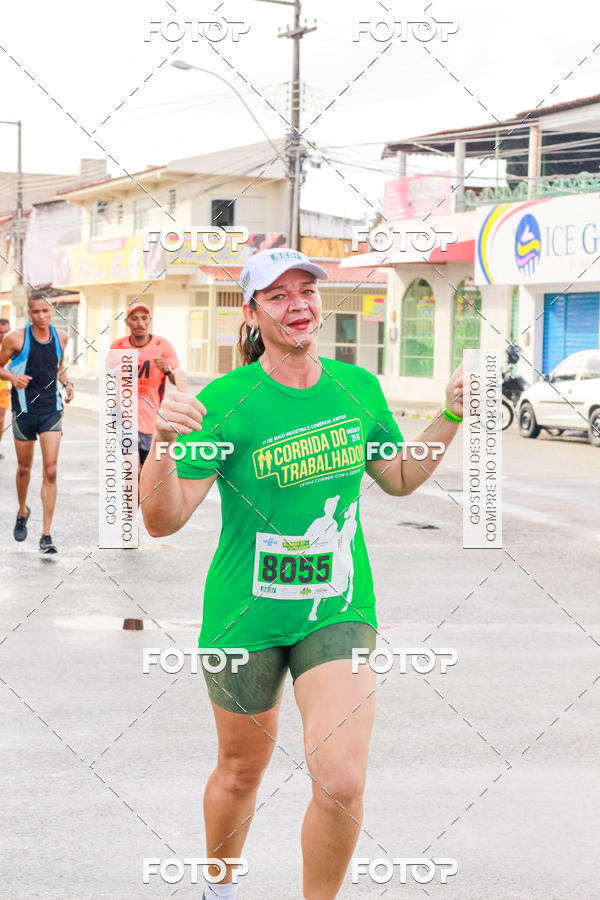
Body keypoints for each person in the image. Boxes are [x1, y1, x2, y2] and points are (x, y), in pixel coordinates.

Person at [140, 248, 465, 900]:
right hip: (245, 614)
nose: (299, 306)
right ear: (254, 311)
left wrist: (452, 412)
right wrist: (165, 449)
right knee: (240, 771)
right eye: (279, 296)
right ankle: (220, 887)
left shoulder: (357, 388)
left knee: (341, 780)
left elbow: (398, 477)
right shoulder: (226, 402)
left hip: (338, 609)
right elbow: (162, 521)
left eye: (307, 292)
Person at [0, 298, 73, 552]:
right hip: (24, 412)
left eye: (46, 311)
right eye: (37, 312)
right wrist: (12, 376)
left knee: (51, 469)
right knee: (23, 468)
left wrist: (68, 384)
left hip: (51, 412)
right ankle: (22, 510)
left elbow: (59, 367)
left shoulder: (61, 337)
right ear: (29, 313)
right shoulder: (15, 339)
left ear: (52, 311)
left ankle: (46, 534)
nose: (42, 316)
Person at [110, 302, 186, 474]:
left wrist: (166, 369)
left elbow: (176, 378)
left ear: (150, 320)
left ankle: (142, 502)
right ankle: (131, 501)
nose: (140, 323)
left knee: (147, 471)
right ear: (127, 321)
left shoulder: (162, 345)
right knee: (133, 468)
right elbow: (110, 376)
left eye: (144, 318)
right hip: (124, 414)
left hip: (152, 416)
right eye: (134, 318)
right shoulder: (118, 346)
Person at [0, 318, 11, 459]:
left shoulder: (12, 347)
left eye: (6, 332)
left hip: (3, 390)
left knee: (1, 420)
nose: (3, 335)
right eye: (0, 332)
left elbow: (17, 369)